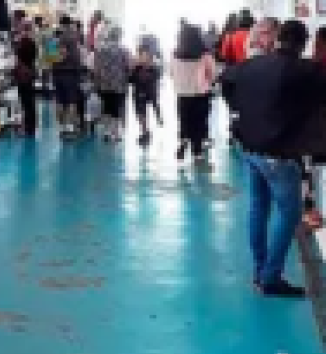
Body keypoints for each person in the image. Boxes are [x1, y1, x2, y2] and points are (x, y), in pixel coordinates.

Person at [221, 19, 326, 298]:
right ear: (304, 43)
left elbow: (226, 80)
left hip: (250, 148)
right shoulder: (307, 71)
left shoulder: (251, 65)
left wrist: (241, 109)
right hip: (279, 153)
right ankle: (271, 277)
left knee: (258, 207)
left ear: (279, 38)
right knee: (290, 213)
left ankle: (260, 270)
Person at [171, 22, 216, 163]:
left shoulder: (174, 55)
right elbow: (212, 74)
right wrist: (209, 82)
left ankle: (183, 140)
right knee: (199, 122)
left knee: (184, 120)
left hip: (182, 94)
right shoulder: (205, 55)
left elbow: (171, 73)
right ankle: (197, 152)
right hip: (201, 94)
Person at [92, 23, 131, 142]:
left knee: (106, 107)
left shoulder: (100, 49)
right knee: (117, 108)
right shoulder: (124, 50)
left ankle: (107, 132)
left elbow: (96, 67)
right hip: (119, 84)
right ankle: (116, 133)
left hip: (104, 84)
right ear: (120, 36)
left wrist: (97, 81)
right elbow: (128, 66)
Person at [52, 15, 83, 137]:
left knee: (60, 101)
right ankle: (69, 128)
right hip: (70, 73)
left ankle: (62, 127)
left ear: (60, 24)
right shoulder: (73, 37)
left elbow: (50, 57)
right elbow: (70, 56)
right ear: (70, 24)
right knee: (71, 101)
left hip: (57, 73)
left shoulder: (55, 39)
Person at [130, 45, 161, 148]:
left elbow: (155, 78)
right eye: (140, 55)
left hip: (148, 92)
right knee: (140, 113)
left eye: (145, 55)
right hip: (139, 92)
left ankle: (147, 130)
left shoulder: (154, 67)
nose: (142, 57)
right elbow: (131, 80)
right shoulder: (136, 66)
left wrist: (145, 69)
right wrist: (134, 68)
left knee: (144, 111)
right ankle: (145, 132)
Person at [13, 16, 38, 138]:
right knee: (30, 101)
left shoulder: (22, 42)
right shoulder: (32, 42)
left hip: (23, 74)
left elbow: (17, 57)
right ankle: (31, 127)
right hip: (30, 72)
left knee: (25, 101)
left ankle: (27, 128)